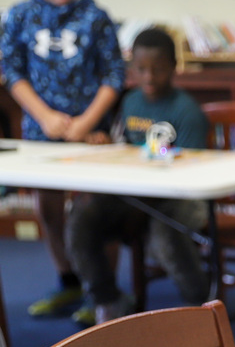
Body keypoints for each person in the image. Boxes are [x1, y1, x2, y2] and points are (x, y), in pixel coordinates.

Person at [0, 0, 124, 320]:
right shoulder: (20, 15)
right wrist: (45, 117)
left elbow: (114, 74)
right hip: (42, 132)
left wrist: (85, 122)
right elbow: (11, 71)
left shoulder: (95, 17)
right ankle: (68, 282)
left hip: (91, 132)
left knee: (95, 210)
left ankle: (102, 289)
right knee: (50, 210)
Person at [65, 27, 210, 324]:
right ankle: (109, 299)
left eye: (157, 70)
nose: (149, 77)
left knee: (165, 232)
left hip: (177, 197)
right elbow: (129, 149)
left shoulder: (187, 111)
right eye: (141, 69)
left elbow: (196, 169)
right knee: (82, 216)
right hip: (137, 194)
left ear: (173, 68)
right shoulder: (130, 102)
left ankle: (201, 306)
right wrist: (106, 145)